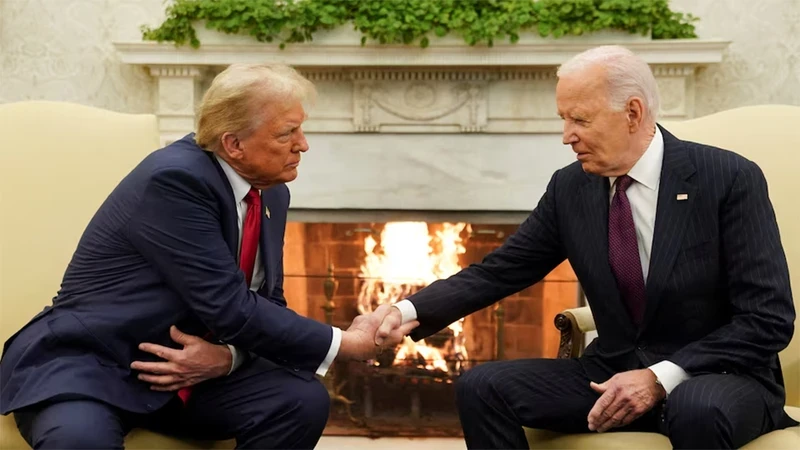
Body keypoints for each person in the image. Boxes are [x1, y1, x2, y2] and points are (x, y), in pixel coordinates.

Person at [376, 45, 797, 449]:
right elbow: (500, 271)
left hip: (717, 376)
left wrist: (659, 377)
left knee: (696, 408)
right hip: (610, 372)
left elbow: (767, 318)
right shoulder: (571, 188)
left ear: (632, 112)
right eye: (563, 119)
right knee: (482, 387)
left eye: (579, 119)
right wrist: (405, 312)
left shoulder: (726, 178)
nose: (566, 136)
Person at [0, 63, 415, 449]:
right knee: (79, 442)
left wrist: (228, 358)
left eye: (300, 130)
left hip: (183, 378)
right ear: (233, 144)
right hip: (94, 364)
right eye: (286, 133)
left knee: (299, 400)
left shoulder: (270, 192)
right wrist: (348, 343)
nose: (302, 145)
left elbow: (265, 302)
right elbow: (230, 307)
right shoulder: (175, 181)